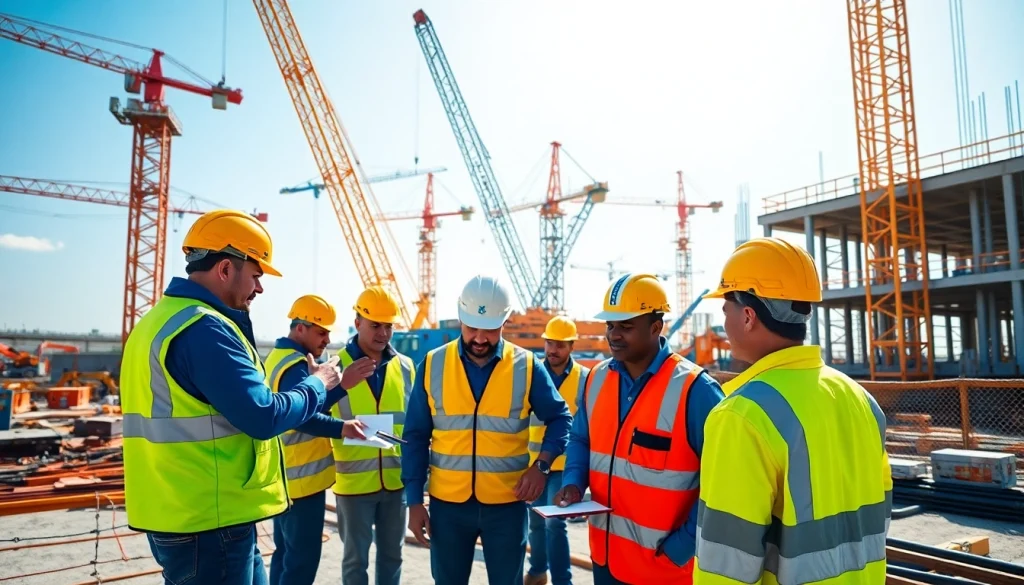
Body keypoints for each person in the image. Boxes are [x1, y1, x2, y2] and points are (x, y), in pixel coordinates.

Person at [120, 209, 343, 585]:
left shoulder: (156, 322)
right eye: (256, 275)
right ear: (225, 269)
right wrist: (319, 383)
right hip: (209, 521)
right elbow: (263, 416)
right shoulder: (205, 328)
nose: (259, 288)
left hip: (185, 511)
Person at [693, 238, 892, 584]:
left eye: (725, 312)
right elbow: (879, 514)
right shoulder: (861, 400)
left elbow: (725, 566)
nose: (724, 327)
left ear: (748, 316)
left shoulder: (742, 416)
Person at [555, 273, 725, 584]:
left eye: (626, 326)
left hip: (664, 570)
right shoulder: (596, 379)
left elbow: (723, 483)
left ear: (656, 327)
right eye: (610, 325)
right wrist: (574, 482)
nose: (614, 335)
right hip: (605, 560)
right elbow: (581, 438)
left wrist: (681, 548)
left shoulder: (696, 390)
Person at [402, 275, 573, 585]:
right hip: (448, 507)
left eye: (490, 330)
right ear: (460, 319)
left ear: (504, 322)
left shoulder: (526, 366)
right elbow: (414, 436)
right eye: (472, 328)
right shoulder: (432, 364)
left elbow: (561, 418)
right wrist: (414, 500)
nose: (480, 338)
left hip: (507, 506)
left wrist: (542, 466)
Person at [266, 294, 375, 585]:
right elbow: (303, 417)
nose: (327, 339)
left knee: (284, 556)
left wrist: (339, 387)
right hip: (302, 483)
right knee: (300, 564)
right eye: (321, 332)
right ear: (300, 328)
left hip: (285, 478)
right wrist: (343, 426)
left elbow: (302, 407)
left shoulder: (278, 357)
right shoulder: (296, 365)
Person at [330, 286, 417, 585]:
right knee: (355, 560)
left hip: (395, 482)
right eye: (375, 325)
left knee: (393, 556)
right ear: (357, 323)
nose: (383, 333)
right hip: (354, 485)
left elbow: (414, 424)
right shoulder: (335, 367)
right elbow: (318, 415)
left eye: (388, 326)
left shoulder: (406, 367)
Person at [525, 316, 589, 585]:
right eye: (550, 343)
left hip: (566, 465)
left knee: (555, 522)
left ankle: (563, 580)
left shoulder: (584, 378)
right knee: (536, 521)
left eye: (560, 345)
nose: (553, 350)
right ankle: (537, 572)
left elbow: (588, 423)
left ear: (572, 346)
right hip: (534, 462)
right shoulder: (532, 374)